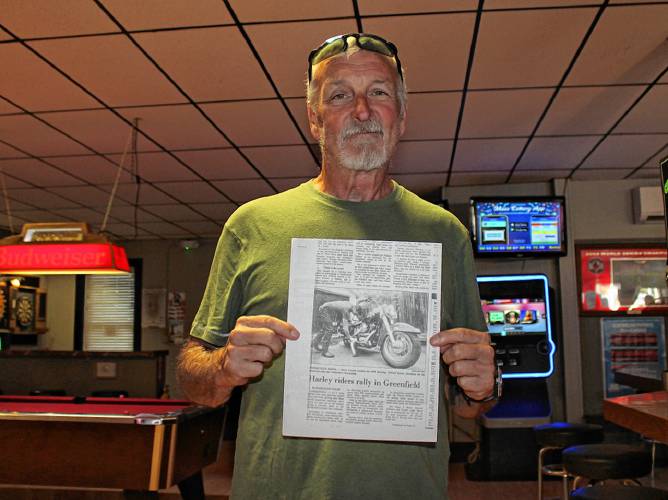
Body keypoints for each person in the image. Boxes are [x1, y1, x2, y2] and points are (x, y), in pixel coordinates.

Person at [177, 33, 497, 499]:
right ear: (315, 119)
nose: (362, 110)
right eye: (340, 95)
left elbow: (468, 404)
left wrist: (485, 387)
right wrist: (224, 367)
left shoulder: (445, 232)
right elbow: (193, 381)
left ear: (401, 116)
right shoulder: (253, 225)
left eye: (380, 93)